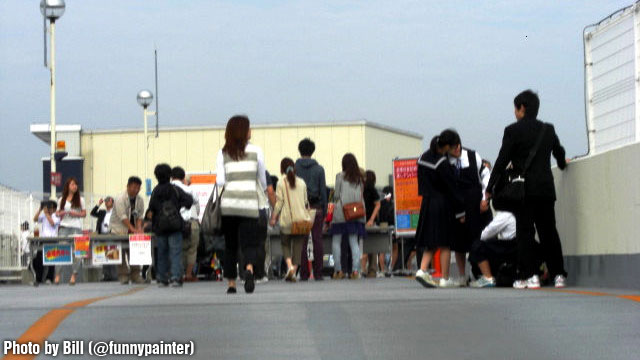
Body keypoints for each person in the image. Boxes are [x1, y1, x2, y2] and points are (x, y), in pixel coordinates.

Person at [486, 89, 569, 289]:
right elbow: (559, 152)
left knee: (525, 233)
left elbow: (501, 160)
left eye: (516, 108)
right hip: (546, 189)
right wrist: (563, 164)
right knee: (549, 231)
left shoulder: (513, 131)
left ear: (522, 108)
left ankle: (530, 275)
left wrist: (489, 188)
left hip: (524, 191)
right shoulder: (548, 129)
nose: (515, 112)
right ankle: (558, 274)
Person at [216, 115, 266, 294]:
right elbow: (262, 179)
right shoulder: (256, 152)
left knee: (230, 245)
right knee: (249, 244)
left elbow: (220, 181)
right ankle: (249, 269)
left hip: (229, 205)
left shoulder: (222, 154)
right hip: (249, 204)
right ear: (244, 131)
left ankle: (231, 283)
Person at [414, 130, 466, 288]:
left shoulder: (423, 157)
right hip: (442, 203)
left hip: (427, 202)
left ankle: (422, 270)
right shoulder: (442, 164)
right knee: (445, 242)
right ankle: (444, 278)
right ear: (448, 146)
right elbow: (453, 189)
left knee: (431, 240)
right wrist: (461, 212)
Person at [447, 134, 491, 286]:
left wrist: (485, 198)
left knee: (478, 239)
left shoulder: (473, 156)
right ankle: (462, 275)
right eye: (453, 148)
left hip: (476, 204)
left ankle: (483, 273)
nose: (457, 150)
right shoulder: (446, 162)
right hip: (458, 206)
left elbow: (486, 176)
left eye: (458, 146)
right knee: (459, 243)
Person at [148, 164, 193, 287]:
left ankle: (162, 278)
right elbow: (189, 200)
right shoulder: (174, 189)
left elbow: (151, 209)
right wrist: (177, 206)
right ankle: (175, 277)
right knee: (175, 252)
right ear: (170, 176)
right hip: (174, 226)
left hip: (160, 227)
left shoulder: (155, 191)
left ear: (156, 176)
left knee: (161, 252)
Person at [270, 158, 311, 282]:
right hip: (301, 219)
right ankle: (293, 269)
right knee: (298, 247)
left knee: (285, 244)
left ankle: (289, 267)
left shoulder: (281, 183)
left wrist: (274, 217)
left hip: (287, 220)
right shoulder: (302, 182)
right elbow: (305, 202)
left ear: (282, 169)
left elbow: (279, 203)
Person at [295, 138, 328, 281]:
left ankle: (303, 273)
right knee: (317, 240)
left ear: (300, 150)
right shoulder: (319, 169)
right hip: (316, 207)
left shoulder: (294, 168)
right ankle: (319, 273)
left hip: (300, 208)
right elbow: (323, 192)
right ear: (312, 151)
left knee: (302, 241)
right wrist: (325, 211)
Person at [330, 153, 366, 280]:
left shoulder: (339, 177)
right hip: (356, 212)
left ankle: (338, 271)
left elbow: (336, 196)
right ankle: (355, 271)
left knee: (336, 241)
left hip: (341, 212)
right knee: (353, 241)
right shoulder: (360, 178)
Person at [468, 199, 517, 288]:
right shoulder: (517, 212)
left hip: (509, 246)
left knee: (478, 246)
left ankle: (488, 278)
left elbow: (485, 235)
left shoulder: (505, 215)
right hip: (516, 246)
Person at [110, 176, 145, 285]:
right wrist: (133, 229)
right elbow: (123, 217)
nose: (136, 190)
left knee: (135, 252)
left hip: (132, 230)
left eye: (138, 188)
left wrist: (139, 229)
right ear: (128, 186)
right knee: (119, 252)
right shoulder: (120, 198)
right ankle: (123, 276)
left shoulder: (140, 199)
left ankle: (135, 275)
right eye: (134, 187)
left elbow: (140, 215)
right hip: (118, 229)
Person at [171, 167, 201, 282]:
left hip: (177, 223)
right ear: (183, 178)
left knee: (180, 249)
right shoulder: (190, 190)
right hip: (192, 222)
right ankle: (188, 274)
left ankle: (179, 274)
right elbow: (196, 204)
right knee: (192, 250)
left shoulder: (168, 189)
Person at [55, 177, 86, 285]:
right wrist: (62, 213)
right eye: (73, 184)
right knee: (61, 251)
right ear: (68, 186)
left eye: (76, 184)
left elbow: (84, 214)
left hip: (76, 227)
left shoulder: (81, 199)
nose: (75, 186)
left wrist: (75, 214)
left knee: (79, 252)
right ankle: (57, 275)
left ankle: (74, 275)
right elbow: (57, 213)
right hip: (64, 227)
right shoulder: (61, 199)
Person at [32, 201, 59, 284]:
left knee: (51, 260)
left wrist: (47, 214)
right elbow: (35, 219)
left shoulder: (56, 216)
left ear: (54, 209)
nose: (48, 209)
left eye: (50, 207)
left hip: (52, 240)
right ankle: (38, 278)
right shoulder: (44, 215)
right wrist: (40, 209)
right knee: (38, 259)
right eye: (47, 207)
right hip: (43, 240)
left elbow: (52, 223)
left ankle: (49, 278)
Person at [90, 196, 117, 281]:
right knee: (104, 255)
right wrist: (98, 204)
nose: (106, 203)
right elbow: (92, 213)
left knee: (113, 254)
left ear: (112, 202)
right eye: (105, 201)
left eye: (108, 201)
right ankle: (106, 275)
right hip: (102, 235)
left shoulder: (115, 212)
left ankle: (114, 275)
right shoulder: (102, 212)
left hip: (111, 234)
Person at [361, 170, 381, 278]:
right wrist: (372, 220)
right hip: (369, 221)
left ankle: (362, 269)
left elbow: (378, 204)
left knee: (362, 245)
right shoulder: (371, 189)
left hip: (363, 220)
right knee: (372, 246)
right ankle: (372, 270)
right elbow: (378, 204)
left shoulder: (363, 188)